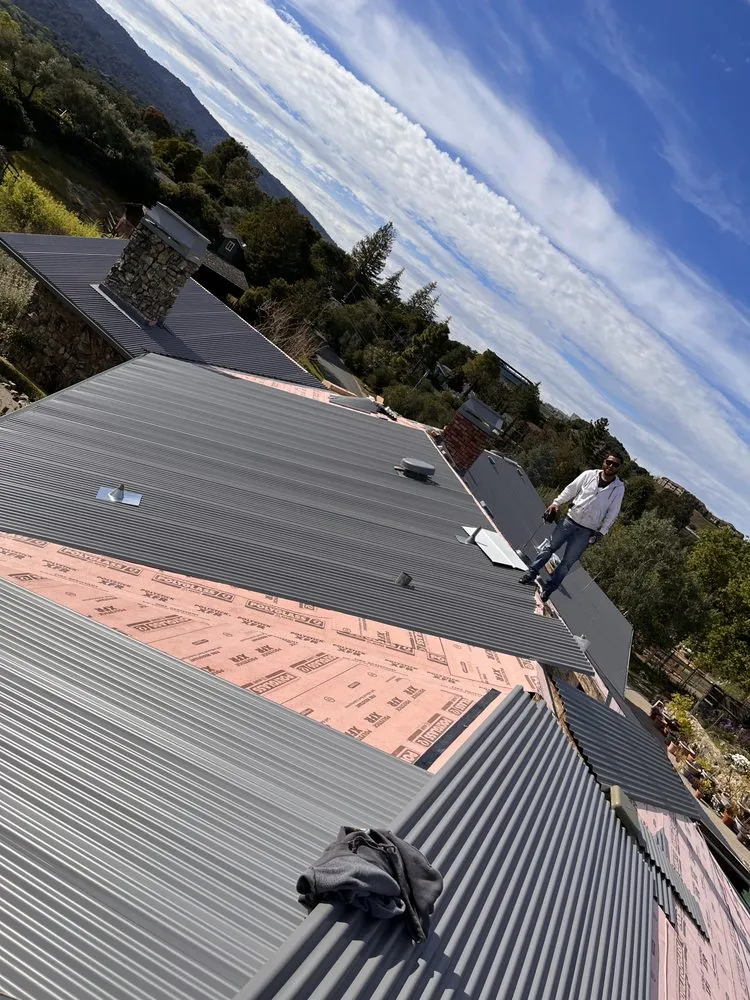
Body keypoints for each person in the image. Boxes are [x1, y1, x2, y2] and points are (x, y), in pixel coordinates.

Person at [519, 452, 625, 602]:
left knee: (567, 562)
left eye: (615, 464)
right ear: (604, 462)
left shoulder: (618, 488)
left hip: (586, 530)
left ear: (619, 468)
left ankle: (548, 589)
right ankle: (531, 573)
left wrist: (602, 531)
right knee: (549, 547)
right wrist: (556, 503)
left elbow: (613, 511)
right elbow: (571, 489)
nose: (611, 466)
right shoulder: (589, 475)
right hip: (570, 520)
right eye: (609, 462)